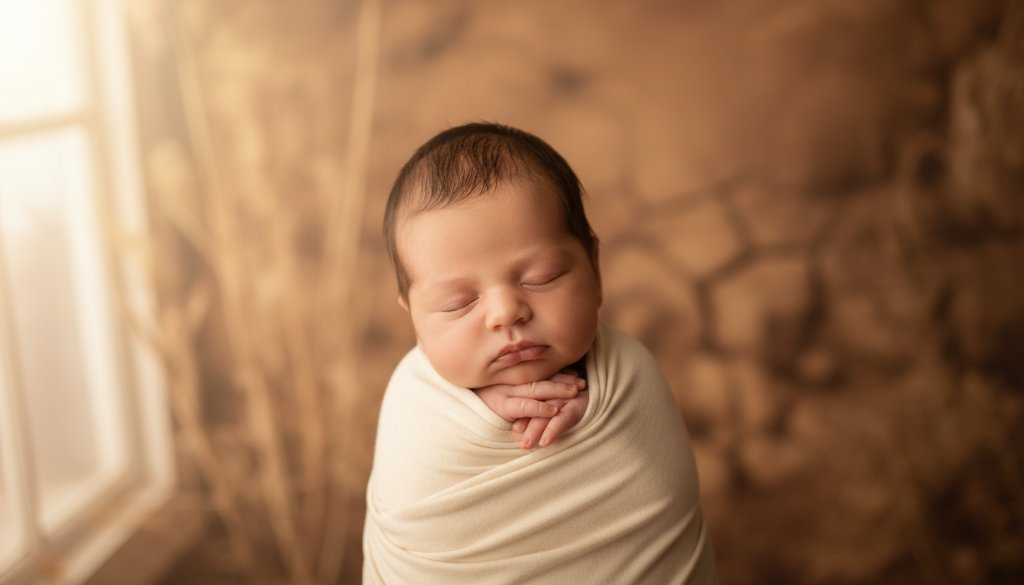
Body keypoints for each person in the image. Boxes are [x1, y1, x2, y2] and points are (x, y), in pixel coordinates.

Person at [364, 123, 716, 584]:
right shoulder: (416, 403)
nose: (506, 312)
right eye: (458, 303)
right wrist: (483, 413)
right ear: (413, 315)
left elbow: (656, 485)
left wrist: (592, 404)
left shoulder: (630, 372)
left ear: (594, 266)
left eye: (542, 276)